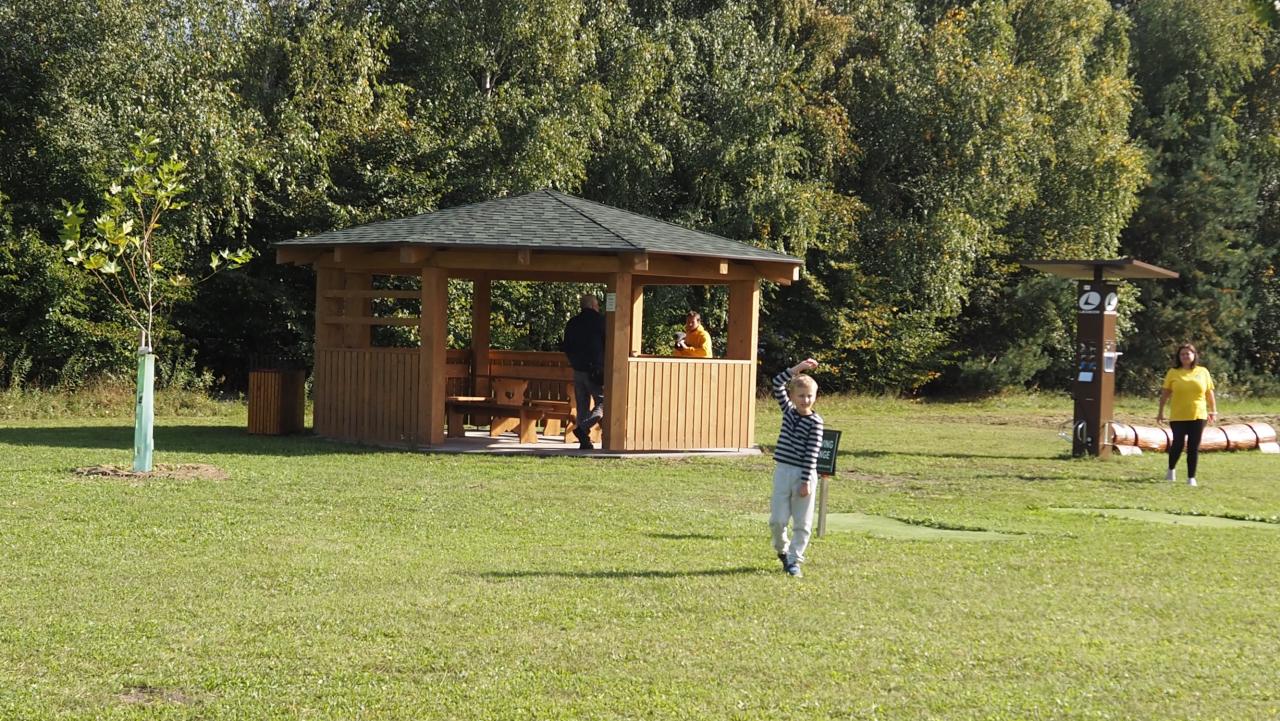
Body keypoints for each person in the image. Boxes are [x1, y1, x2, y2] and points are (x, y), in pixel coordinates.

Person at [769, 358, 824, 578]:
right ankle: (782, 550)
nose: (805, 400)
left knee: (802, 522)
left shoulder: (816, 422)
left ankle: (794, 560)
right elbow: (777, 383)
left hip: (804, 474)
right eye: (801, 396)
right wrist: (798, 369)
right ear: (792, 397)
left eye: (809, 396)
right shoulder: (789, 411)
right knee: (777, 520)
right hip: (783, 471)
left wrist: (805, 481)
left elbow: (812, 453)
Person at [1156, 343, 1217, 487]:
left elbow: (1209, 393)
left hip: (1198, 414)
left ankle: (1191, 477)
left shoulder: (1203, 372)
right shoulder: (1173, 372)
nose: (1185, 356)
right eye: (1182, 354)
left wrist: (1213, 410)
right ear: (1179, 357)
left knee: (1193, 447)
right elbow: (1165, 394)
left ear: (1194, 355)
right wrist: (1160, 412)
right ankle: (1171, 469)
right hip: (1178, 415)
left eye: (1188, 353)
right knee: (1178, 443)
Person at [562, 293, 606, 449]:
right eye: (597, 305)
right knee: (604, 402)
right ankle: (582, 429)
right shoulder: (600, 321)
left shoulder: (572, 323)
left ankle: (584, 441)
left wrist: (574, 362)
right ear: (594, 305)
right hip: (595, 370)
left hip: (577, 370)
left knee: (582, 406)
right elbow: (608, 342)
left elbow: (566, 346)